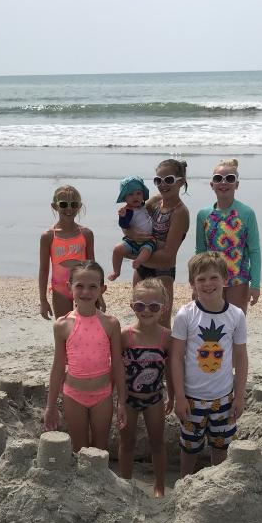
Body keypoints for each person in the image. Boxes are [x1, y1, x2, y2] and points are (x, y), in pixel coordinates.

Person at [171, 252, 248, 478]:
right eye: (201, 279)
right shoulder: (186, 314)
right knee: (189, 446)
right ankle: (184, 482)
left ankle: (215, 481)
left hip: (224, 396)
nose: (207, 284)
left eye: (213, 277)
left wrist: (240, 395)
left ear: (225, 280)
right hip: (192, 397)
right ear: (192, 284)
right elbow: (176, 357)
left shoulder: (235, 315)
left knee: (221, 446)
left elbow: (241, 356)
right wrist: (180, 397)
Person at [44, 261, 126, 451]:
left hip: (103, 395)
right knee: (79, 448)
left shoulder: (111, 324)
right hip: (73, 395)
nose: (86, 292)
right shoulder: (62, 325)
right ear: (69, 287)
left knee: (100, 448)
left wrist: (121, 401)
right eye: (79, 286)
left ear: (102, 290)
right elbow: (57, 367)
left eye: (92, 287)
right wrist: (50, 406)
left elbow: (118, 365)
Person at [118, 278, 174, 497]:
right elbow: (117, 369)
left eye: (154, 306)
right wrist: (119, 400)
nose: (147, 311)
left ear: (163, 308)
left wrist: (174, 395)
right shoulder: (126, 336)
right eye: (140, 306)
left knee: (157, 442)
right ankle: (125, 483)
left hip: (155, 398)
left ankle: (159, 485)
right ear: (132, 306)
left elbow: (170, 369)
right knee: (127, 441)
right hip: (129, 398)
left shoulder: (166, 337)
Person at [195, 159, 261, 314]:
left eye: (229, 178)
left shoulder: (246, 213)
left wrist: (255, 284)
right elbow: (200, 251)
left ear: (237, 184)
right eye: (218, 178)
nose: (223, 182)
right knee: (210, 324)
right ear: (212, 185)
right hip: (210, 280)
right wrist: (196, 283)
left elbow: (254, 251)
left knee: (235, 325)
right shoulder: (203, 215)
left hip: (238, 279)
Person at [132, 158, 191, 326]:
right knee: (142, 321)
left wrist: (134, 254)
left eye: (169, 180)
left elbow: (168, 254)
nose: (163, 184)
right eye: (158, 180)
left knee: (162, 325)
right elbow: (134, 219)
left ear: (181, 182)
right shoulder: (155, 202)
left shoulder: (180, 212)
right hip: (142, 269)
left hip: (163, 272)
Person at [38, 185, 95, 320]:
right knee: (64, 327)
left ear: (79, 206)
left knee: (86, 326)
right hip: (60, 289)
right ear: (55, 206)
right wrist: (43, 300)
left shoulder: (86, 234)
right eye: (64, 204)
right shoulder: (48, 236)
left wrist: (99, 295)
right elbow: (44, 270)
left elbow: (92, 267)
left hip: (84, 287)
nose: (69, 209)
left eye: (74, 204)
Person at [109, 176, 155, 281]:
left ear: (143, 195)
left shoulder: (146, 207)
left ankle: (138, 261)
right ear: (124, 198)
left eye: (138, 193)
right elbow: (124, 225)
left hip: (148, 239)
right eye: (131, 194)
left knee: (147, 250)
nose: (135, 197)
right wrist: (122, 217)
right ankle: (116, 271)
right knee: (117, 249)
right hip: (131, 241)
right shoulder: (128, 210)